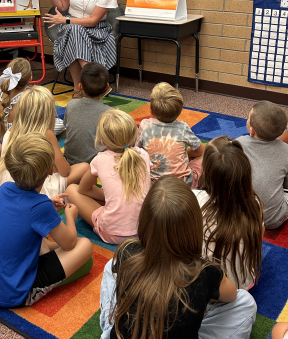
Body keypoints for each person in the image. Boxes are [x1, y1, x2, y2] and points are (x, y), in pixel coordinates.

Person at [100, 177, 257, 339]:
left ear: (145, 221)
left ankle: (108, 332)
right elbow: (231, 295)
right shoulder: (204, 271)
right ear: (194, 226)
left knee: (111, 265)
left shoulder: (126, 250)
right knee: (245, 301)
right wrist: (202, 295)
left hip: (123, 335)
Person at [0, 132, 93, 307]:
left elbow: (22, 212)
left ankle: (48, 250)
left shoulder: (4, 188)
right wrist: (70, 217)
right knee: (85, 245)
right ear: (51, 170)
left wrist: (48, 204)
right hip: (12, 292)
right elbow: (70, 243)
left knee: (37, 234)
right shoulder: (39, 207)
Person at [38, 0, 118, 98]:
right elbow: (62, 7)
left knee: (74, 32)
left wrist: (66, 20)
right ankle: (94, 84)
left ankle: (79, 89)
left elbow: (93, 20)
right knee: (74, 31)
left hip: (96, 29)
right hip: (70, 26)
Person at [0, 86, 88, 196]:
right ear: (48, 113)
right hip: (37, 186)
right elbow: (65, 171)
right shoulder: (47, 134)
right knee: (84, 167)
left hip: (8, 182)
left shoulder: (10, 131)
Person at [66, 109, 151, 245]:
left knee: (71, 189)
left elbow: (83, 189)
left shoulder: (100, 159)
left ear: (103, 141)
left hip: (112, 233)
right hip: (145, 230)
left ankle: (112, 204)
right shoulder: (144, 155)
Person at [193, 136, 264, 290]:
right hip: (245, 283)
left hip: (208, 289)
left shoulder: (195, 200)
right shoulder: (254, 203)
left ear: (207, 172)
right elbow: (260, 233)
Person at [136, 82, 205, 188]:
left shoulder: (144, 125)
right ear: (180, 111)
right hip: (183, 185)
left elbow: (137, 150)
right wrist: (184, 154)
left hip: (154, 186)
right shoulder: (182, 127)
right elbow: (201, 150)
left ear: (151, 111)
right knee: (205, 157)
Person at [237, 101, 288, 229]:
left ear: (252, 130)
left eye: (248, 118)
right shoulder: (286, 150)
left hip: (239, 215)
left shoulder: (238, 143)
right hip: (273, 219)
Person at [63, 62, 111, 165]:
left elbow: (67, 126)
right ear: (106, 87)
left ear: (80, 87)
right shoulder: (109, 113)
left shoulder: (71, 104)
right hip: (95, 163)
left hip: (69, 159)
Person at [0, 58, 32, 141]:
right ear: (30, 78)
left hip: (2, 139)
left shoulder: (2, 89)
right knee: (57, 125)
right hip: (18, 144)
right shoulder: (27, 99)